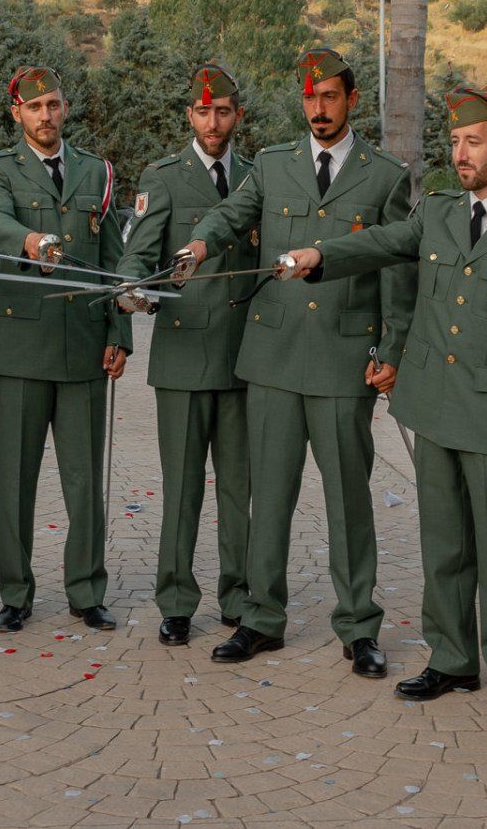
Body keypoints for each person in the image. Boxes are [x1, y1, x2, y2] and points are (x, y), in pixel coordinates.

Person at [279, 83, 487, 725]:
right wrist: (320, 254)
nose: (461, 154)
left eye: (474, 142)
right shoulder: (438, 213)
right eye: (456, 142)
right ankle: (452, 659)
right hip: (434, 408)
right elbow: (382, 242)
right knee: (444, 546)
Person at [177, 47, 414, 678]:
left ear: (351, 100)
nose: (318, 109)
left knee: (348, 501)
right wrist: (200, 243)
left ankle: (358, 626)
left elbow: (398, 267)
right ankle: (261, 619)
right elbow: (233, 214)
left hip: (344, 359)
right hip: (275, 357)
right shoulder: (273, 165)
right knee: (270, 496)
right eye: (310, 98)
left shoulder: (385, 175)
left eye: (329, 97)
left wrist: (392, 350)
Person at [0, 65, 131, 634]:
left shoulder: (96, 170)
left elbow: (112, 261)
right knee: (15, 479)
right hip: (20, 346)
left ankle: (87, 591)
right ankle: (15, 593)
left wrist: (119, 333)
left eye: (54, 104)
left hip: (84, 345)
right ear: (16, 112)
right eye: (35, 107)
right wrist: (30, 240)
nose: (46, 115)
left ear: (65, 107)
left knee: (85, 480)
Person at [118, 62, 256, 646]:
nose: (213, 122)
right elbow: (138, 253)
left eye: (222, 111)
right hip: (182, 356)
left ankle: (238, 596)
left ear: (237, 115)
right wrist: (132, 289)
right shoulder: (164, 177)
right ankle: (176, 600)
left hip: (245, 358)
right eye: (203, 112)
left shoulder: (257, 177)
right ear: (189, 116)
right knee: (181, 489)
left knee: (238, 489)